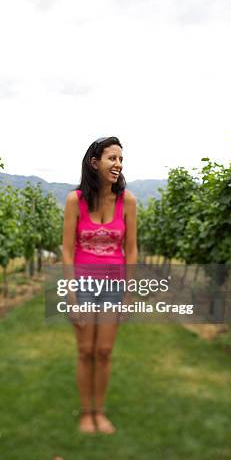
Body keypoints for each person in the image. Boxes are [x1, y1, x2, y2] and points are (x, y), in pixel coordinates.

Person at [62, 136, 138, 434]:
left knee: (104, 351)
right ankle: (86, 413)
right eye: (112, 158)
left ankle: (100, 411)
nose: (118, 164)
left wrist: (130, 294)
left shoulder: (127, 200)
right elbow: (67, 250)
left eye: (120, 159)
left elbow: (131, 250)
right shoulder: (75, 200)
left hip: (114, 288)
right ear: (95, 162)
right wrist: (70, 297)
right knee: (85, 351)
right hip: (82, 286)